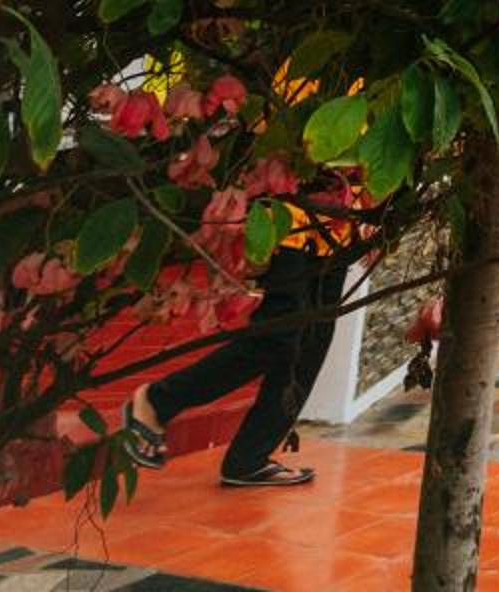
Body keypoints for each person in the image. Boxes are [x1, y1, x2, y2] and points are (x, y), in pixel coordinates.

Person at [121, 195, 355, 488]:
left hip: (344, 222)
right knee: (277, 337)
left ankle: (249, 460)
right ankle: (158, 400)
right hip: (289, 215)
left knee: (311, 342)